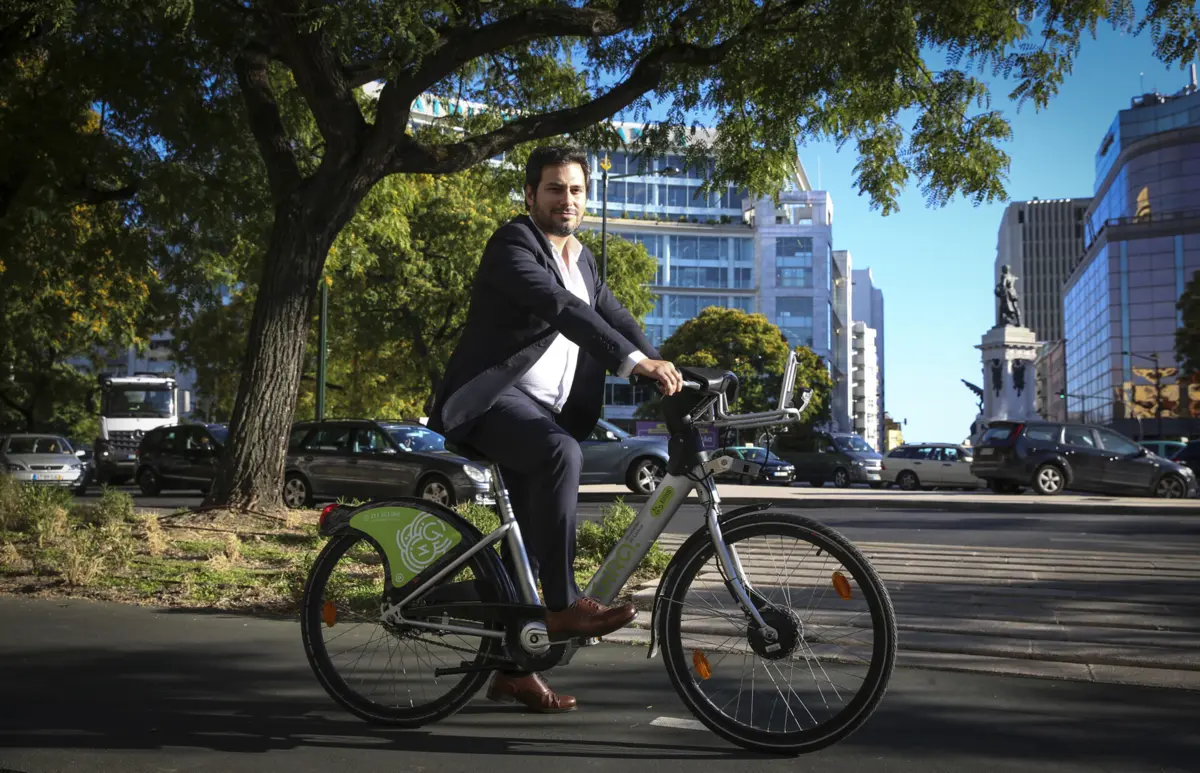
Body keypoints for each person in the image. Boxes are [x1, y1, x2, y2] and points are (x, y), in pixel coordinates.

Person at [428, 145, 684, 713]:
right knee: (560, 455)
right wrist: (630, 364)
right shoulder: (513, 244)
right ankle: (564, 606)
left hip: (544, 410)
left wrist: (670, 371)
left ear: (585, 197)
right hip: (491, 400)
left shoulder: (584, 259)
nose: (565, 200)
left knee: (530, 550)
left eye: (575, 190)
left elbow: (613, 317)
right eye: (553, 189)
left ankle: (511, 670)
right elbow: (562, 309)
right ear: (530, 195)